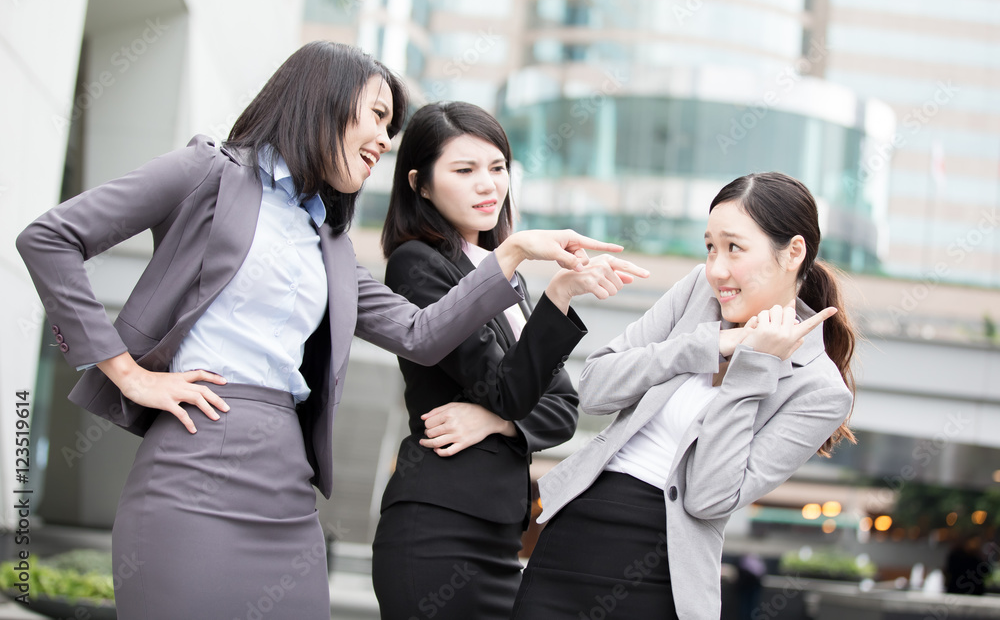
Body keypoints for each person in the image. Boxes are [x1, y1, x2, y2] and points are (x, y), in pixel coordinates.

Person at [15, 42, 624, 620]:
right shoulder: (210, 171)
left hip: (288, 484)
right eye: (379, 117)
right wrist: (126, 371)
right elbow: (49, 239)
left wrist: (512, 254)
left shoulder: (330, 243)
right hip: (193, 463)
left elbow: (420, 333)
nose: (387, 140)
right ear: (324, 100)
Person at [512, 172, 858, 620]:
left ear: (793, 252)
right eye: (711, 246)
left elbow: (707, 497)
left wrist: (754, 369)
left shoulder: (821, 389)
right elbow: (596, 388)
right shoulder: (698, 291)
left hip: (662, 571)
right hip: (573, 537)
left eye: (735, 247)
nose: (717, 268)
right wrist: (707, 344)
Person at [369, 101, 648, 619]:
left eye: (497, 168)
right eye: (464, 170)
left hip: (498, 535)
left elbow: (562, 407)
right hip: (438, 528)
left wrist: (496, 421)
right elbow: (510, 390)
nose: (488, 185)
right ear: (420, 184)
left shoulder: (507, 284)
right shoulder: (418, 265)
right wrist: (533, 271)